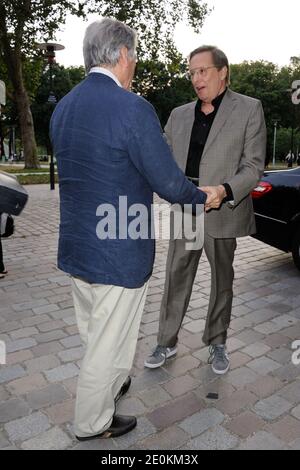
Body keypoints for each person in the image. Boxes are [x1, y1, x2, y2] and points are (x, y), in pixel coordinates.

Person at [50, 19, 217, 441]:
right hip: (119, 251)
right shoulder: (132, 108)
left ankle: (109, 389)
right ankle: (91, 423)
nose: (135, 66)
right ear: (123, 55)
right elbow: (167, 181)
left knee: (96, 333)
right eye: (135, 57)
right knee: (106, 344)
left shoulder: (64, 106)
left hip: (77, 247)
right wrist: (204, 197)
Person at [144, 45, 267, 375]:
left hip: (224, 208)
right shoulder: (179, 115)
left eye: (203, 71)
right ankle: (165, 341)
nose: (196, 78)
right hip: (186, 207)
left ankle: (217, 342)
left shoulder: (250, 109)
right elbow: (160, 156)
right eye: (192, 72)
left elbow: (254, 165)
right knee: (175, 276)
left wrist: (224, 191)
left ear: (222, 71)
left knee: (221, 280)